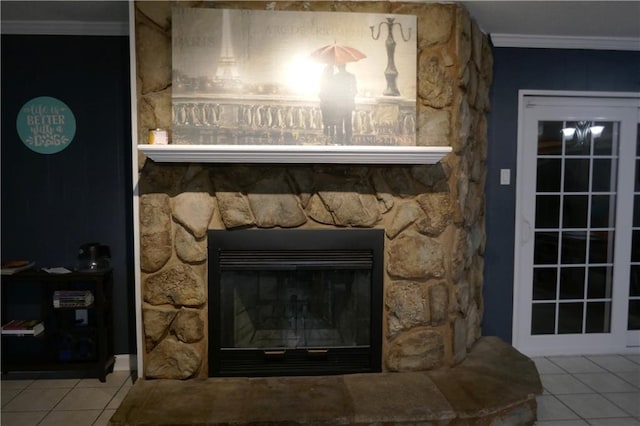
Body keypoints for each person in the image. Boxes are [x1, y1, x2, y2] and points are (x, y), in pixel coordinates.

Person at [331, 63, 357, 144]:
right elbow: (355, 91)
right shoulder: (351, 77)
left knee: (338, 124)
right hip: (348, 104)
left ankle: (339, 142)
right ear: (345, 66)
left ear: (338, 67)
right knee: (348, 124)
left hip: (338, 105)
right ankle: (349, 141)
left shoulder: (334, 78)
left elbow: (332, 92)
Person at [319, 64, 336, 140]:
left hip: (325, 105)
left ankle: (326, 139)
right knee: (332, 123)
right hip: (332, 105)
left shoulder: (323, 81)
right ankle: (331, 138)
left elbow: (321, 94)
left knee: (326, 123)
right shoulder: (335, 81)